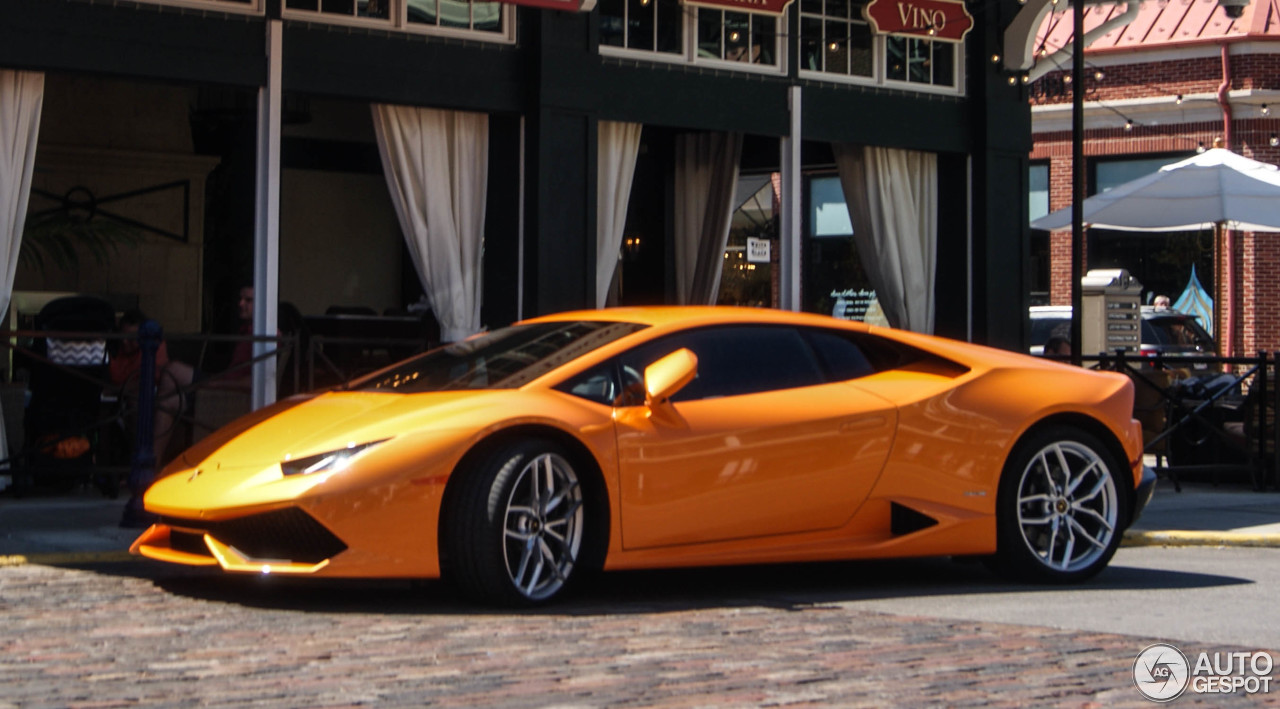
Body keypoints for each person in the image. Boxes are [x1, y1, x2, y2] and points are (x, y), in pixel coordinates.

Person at [109, 309, 195, 466]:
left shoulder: (155, 345)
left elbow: (155, 375)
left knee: (142, 407)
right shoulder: (116, 350)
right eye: (123, 337)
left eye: (131, 338)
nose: (125, 342)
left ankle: (148, 463)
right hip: (125, 399)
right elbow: (114, 378)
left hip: (152, 397)